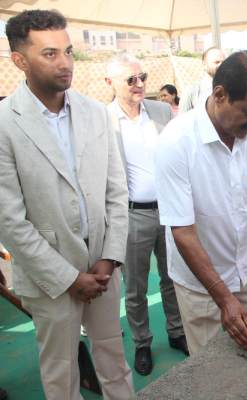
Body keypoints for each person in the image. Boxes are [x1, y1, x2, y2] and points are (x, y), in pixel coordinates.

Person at [0, 10, 133, 399]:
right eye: (50, 53)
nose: (65, 63)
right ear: (19, 60)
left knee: (115, 363)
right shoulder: (5, 122)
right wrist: (69, 278)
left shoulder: (95, 113)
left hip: (102, 269)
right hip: (48, 278)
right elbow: (9, 219)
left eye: (69, 51)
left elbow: (116, 192)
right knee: (61, 374)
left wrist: (108, 258)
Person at [154, 51, 247, 355]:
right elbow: (183, 231)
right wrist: (224, 298)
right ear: (220, 95)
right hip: (201, 285)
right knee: (209, 370)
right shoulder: (176, 141)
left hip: (246, 271)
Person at [105, 54, 187, 376]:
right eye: (131, 79)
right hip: (131, 215)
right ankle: (142, 343)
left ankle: (177, 331)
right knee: (136, 287)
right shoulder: (103, 120)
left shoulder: (162, 111)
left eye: (143, 77)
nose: (139, 84)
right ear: (110, 82)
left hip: (168, 210)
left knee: (172, 277)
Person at [179, 46, 225, 112]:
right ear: (204, 65)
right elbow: (183, 117)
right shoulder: (192, 91)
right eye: (216, 62)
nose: (221, 65)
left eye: (223, 62)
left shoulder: (231, 88)